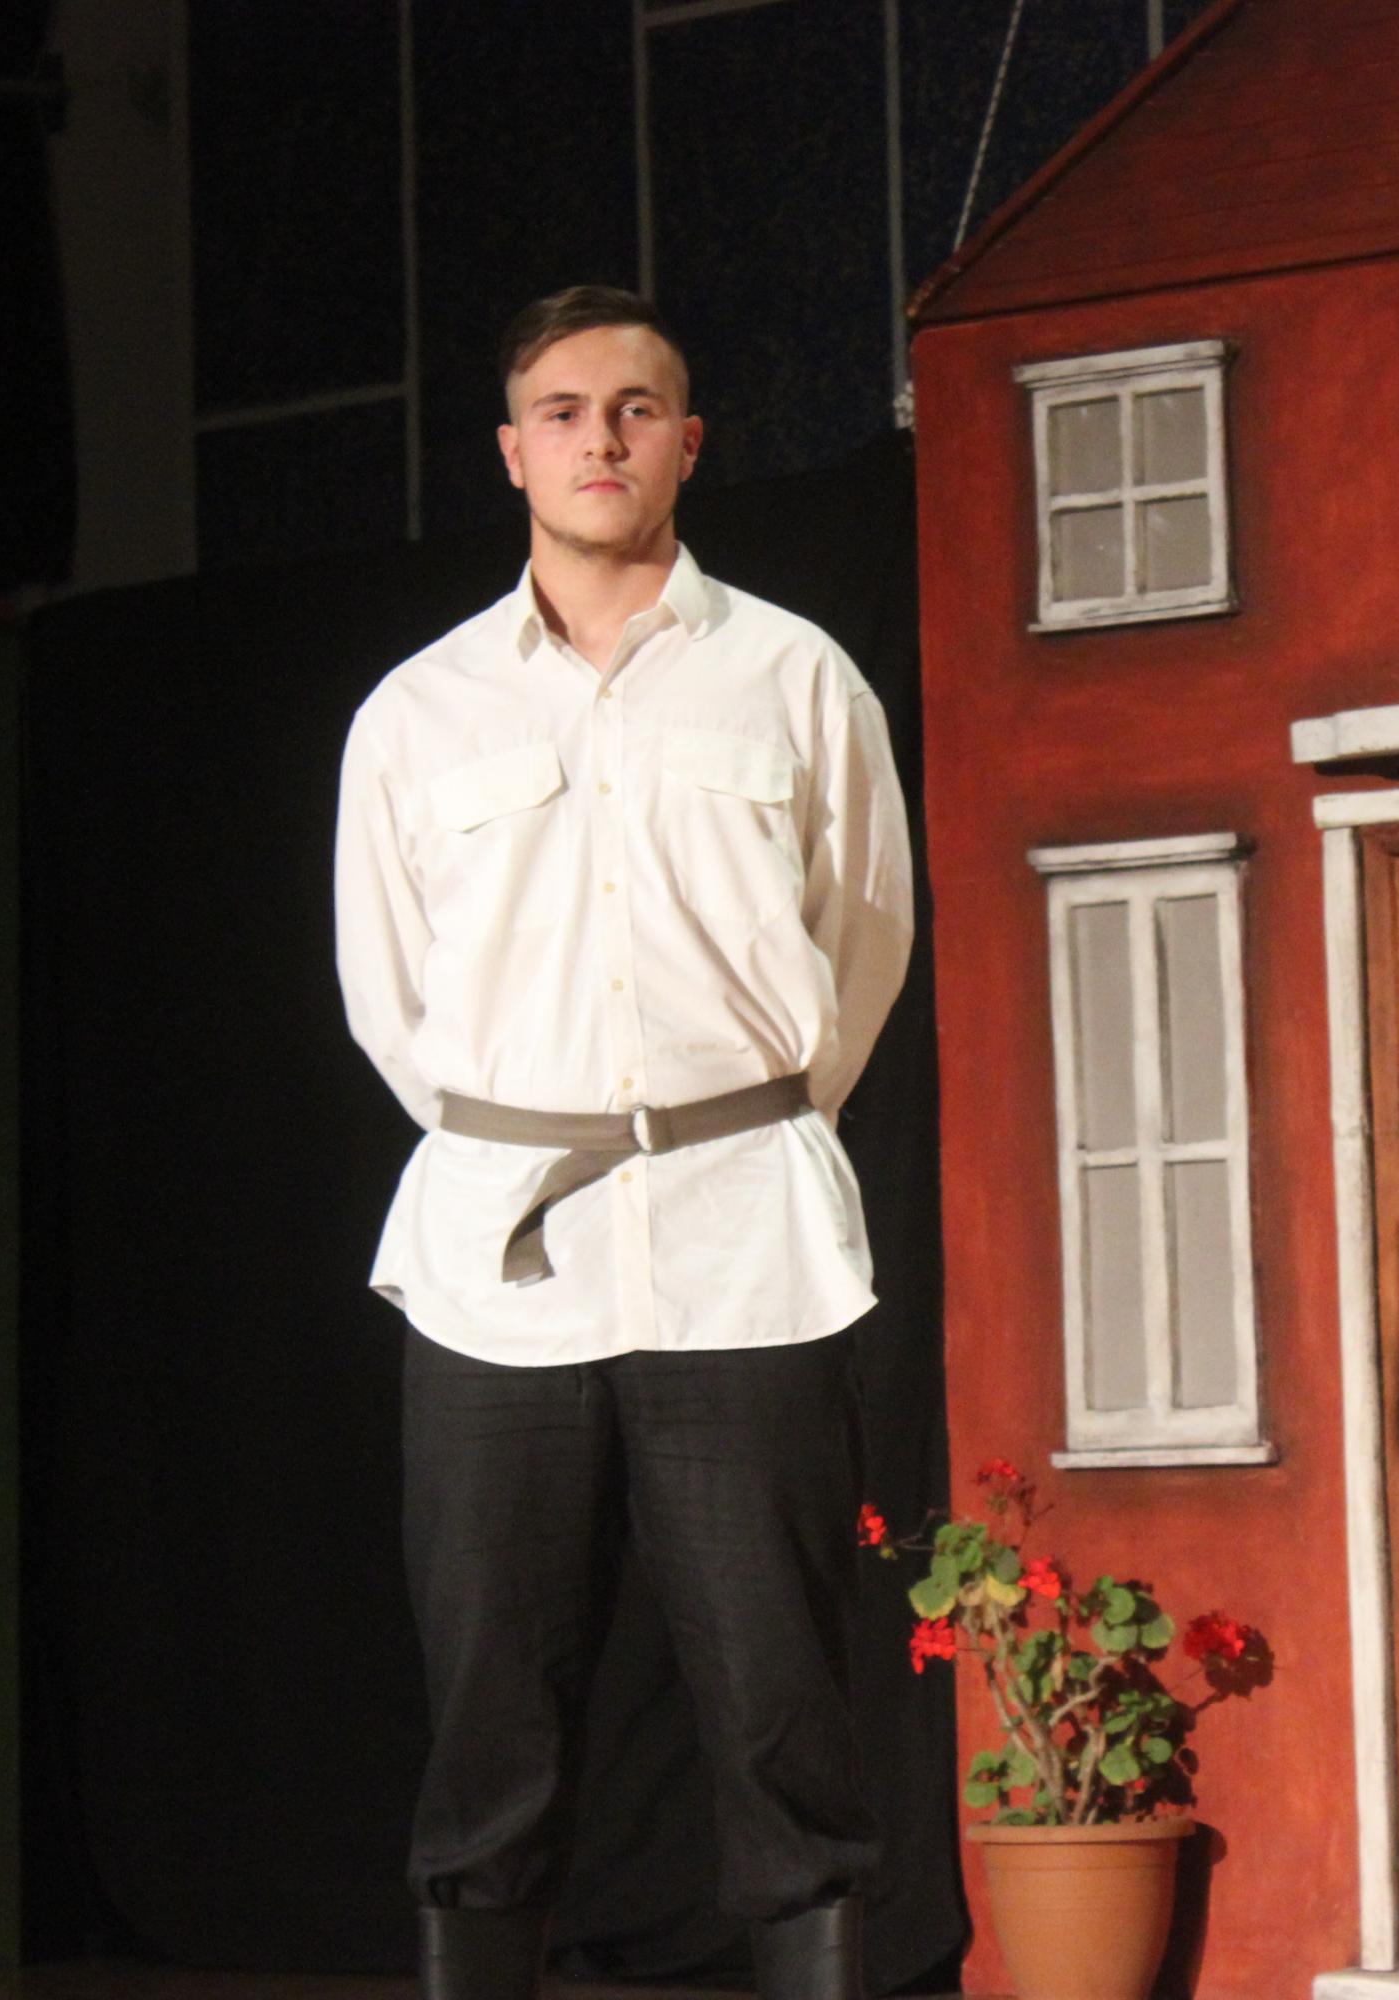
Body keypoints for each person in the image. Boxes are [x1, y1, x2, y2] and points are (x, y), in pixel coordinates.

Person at [334, 285, 913, 2000]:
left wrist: (739, 1124)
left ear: (688, 443)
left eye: (637, 409)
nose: (602, 438)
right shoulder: (420, 711)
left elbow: (865, 939)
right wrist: (527, 1130)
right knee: (490, 1722)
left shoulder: (795, 677)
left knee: (784, 1707)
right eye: (566, 411)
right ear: (513, 453)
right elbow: (389, 994)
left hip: (744, 1245)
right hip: (496, 1268)